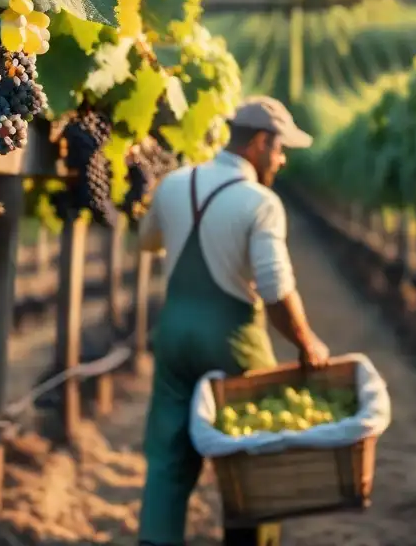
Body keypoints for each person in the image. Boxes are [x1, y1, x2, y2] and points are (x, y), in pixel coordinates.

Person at [135, 96, 330, 546]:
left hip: (175, 337)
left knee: (167, 456)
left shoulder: (174, 184)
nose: (281, 161)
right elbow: (275, 290)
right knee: (251, 461)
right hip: (233, 343)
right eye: (281, 150)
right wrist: (307, 344)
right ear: (261, 143)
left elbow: (148, 241)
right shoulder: (260, 203)